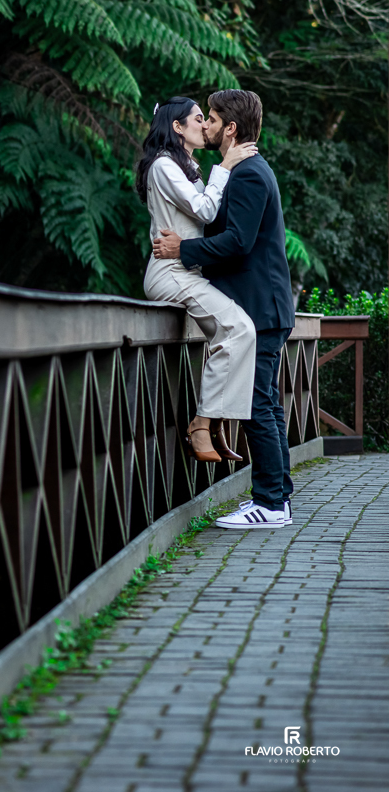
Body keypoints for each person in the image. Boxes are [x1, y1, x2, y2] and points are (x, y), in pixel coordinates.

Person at [153, 90, 296, 529]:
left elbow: (239, 241)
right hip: (261, 307)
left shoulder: (250, 173)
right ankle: (278, 500)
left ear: (230, 128)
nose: (207, 125)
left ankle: (270, 504)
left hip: (262, 309)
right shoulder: (243, 170)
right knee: (266, 404)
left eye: (212, 119)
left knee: (258, 404)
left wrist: (183, 247)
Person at [137, 96, 258, 463]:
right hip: (171, 273)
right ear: (178, 127)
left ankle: (214, 423)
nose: (204, 125)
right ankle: (201, 424)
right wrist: (226, 164)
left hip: (185, 270)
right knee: (239, 329)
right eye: (198, 118)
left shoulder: (184, 165)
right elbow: (205, 209)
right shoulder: (162, 166)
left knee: (236, 333)